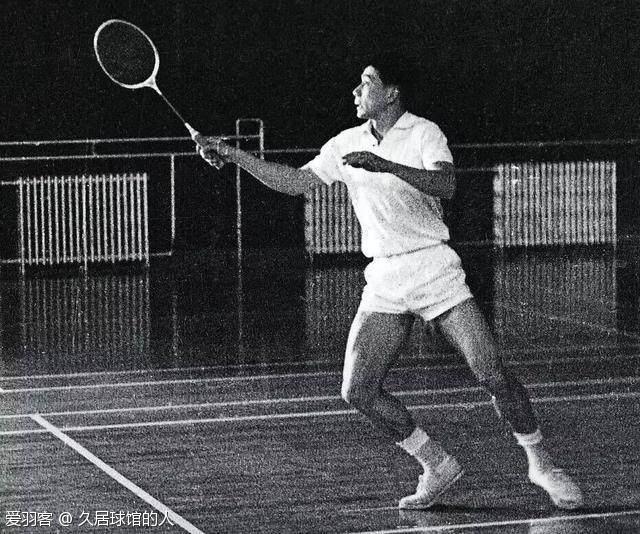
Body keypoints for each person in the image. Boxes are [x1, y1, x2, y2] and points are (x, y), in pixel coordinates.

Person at [194, 55, 583, 510]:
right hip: (385, 275)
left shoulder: (424, 133)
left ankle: (541, 464)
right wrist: (233, 154)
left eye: (366, 83)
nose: (356, 92)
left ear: (392, 92)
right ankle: (436, 464)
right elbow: (296, 182)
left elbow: (446, 186)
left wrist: (385, 165)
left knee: (492, 371)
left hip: (433, 265)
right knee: (357, 389)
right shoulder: (346, 142)